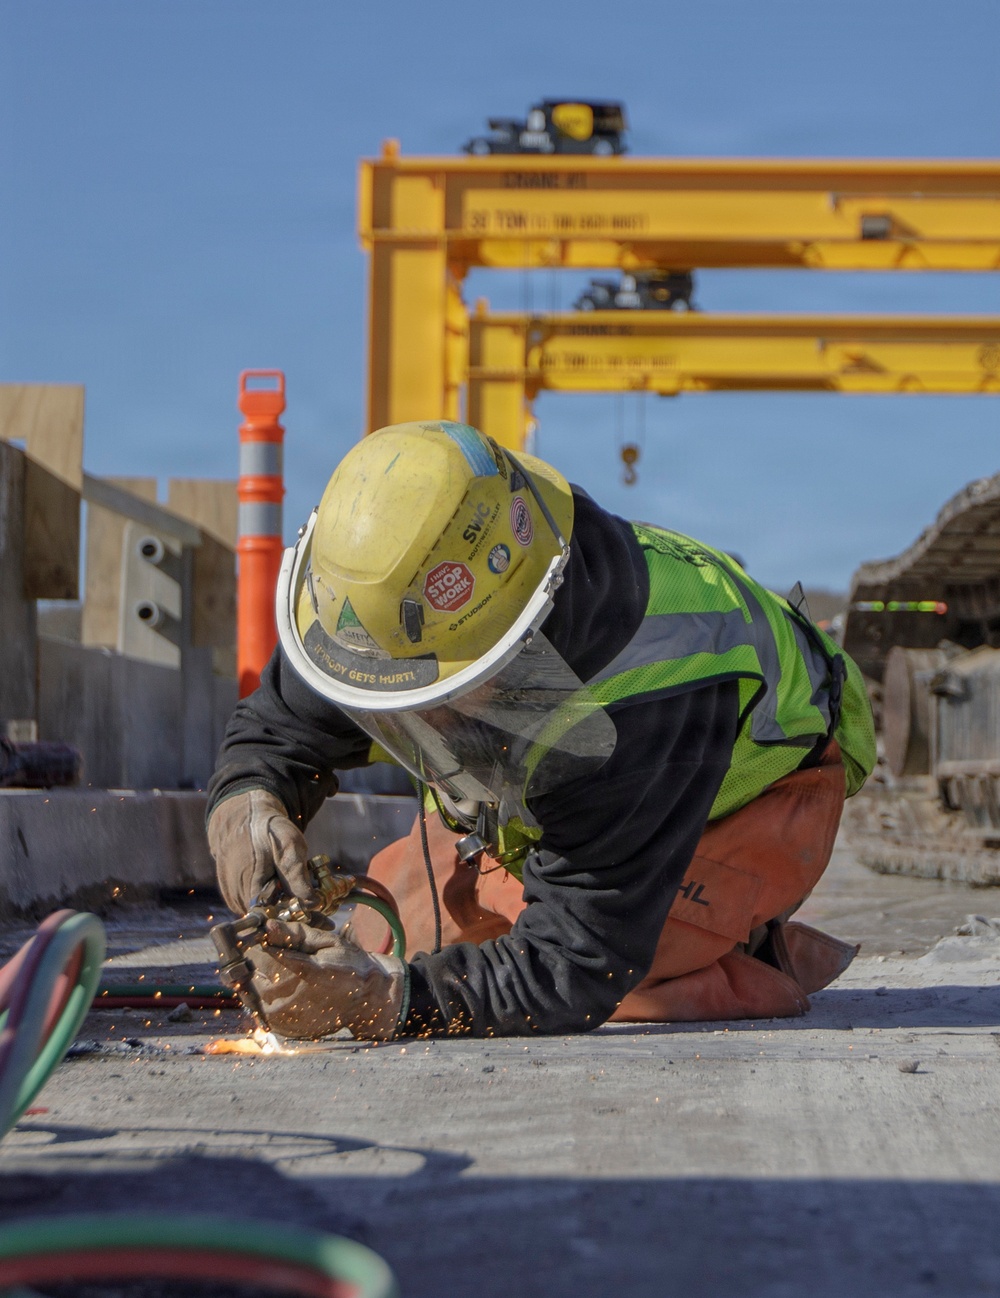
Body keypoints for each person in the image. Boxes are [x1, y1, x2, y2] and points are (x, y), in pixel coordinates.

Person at [207, 420, 875, 1041]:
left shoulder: (654, 685)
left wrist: (387, 1003)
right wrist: (249, 799)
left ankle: (741, 952)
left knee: (623, 981)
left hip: (745, 804)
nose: (422, 723)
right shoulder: (382, 608)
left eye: (437, 696)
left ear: (520, 640)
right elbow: (282, 725)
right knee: (395, 941)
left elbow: (581, 959)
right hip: (560, 802)